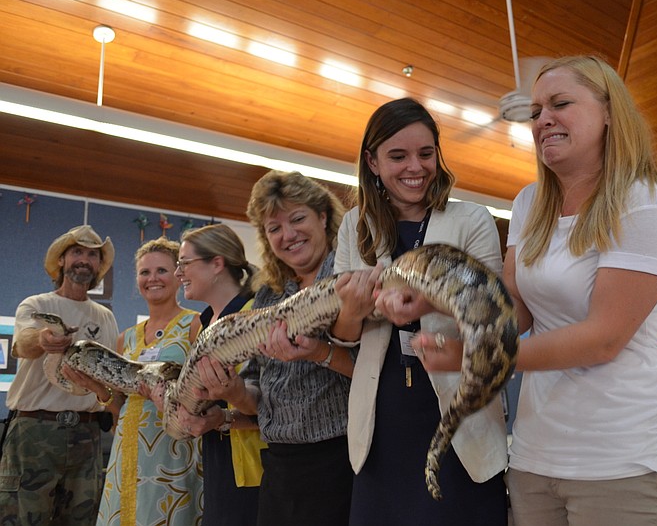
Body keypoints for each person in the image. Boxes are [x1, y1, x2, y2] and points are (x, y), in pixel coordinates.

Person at [470, 55, 657, 525]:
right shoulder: (529, 203)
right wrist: (442, 300)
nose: (543, 118)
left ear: (610, 111)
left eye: (561, 103)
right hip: (535, 458)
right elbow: (514, 311)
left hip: (623, 462)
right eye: (535, 112)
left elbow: (602, 338)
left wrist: (479, 354)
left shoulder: (645, 202)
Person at [334, 97, 509, 525]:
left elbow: (495, 315)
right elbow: (343, 333)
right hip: (381, 420)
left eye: (426, 154)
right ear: (372, 162)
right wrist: (355, 309)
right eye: (398, 156)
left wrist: (426, 300)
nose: (416, 166)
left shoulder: (471, 219)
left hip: (459, 414)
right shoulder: (355, 225)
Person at [211, 169, 355, 525]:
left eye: (297, 218)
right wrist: (234, 391)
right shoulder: (268, 294)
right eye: (274, 228)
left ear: (323, 216)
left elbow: (377, 371)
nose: (288, 235)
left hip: (342, 463)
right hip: (279, 466)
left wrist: (317, 352)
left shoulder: (351, 278)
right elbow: (259, 396)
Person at [75, 237, 202, 525]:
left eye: (162, 271)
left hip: (173, 450)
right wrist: (97, 388)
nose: (152, 279)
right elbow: (118, 406)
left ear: (179, 275)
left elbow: (204, 393)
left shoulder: (195, 325)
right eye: (145, 272)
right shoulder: (126, 337)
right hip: (126, 448)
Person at [0, 225, 120, 525]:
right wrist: (43, 339)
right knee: (21, 518)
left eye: (92, 255)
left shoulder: (105, 317)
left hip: (87, 434)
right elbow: (22, 344)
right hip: (34, 430)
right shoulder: (36, 305)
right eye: (77, 252)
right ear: (62, 261)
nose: (84, 260)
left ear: (98, 266)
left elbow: (111, 378)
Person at [173, 224, 260, 526]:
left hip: (254, 473)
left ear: (217, 263)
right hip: (220, 464)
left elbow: (274, 404)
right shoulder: (207, 324)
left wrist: (222, 418)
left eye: (184, 263)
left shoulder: (253, 316)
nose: (178, 273)